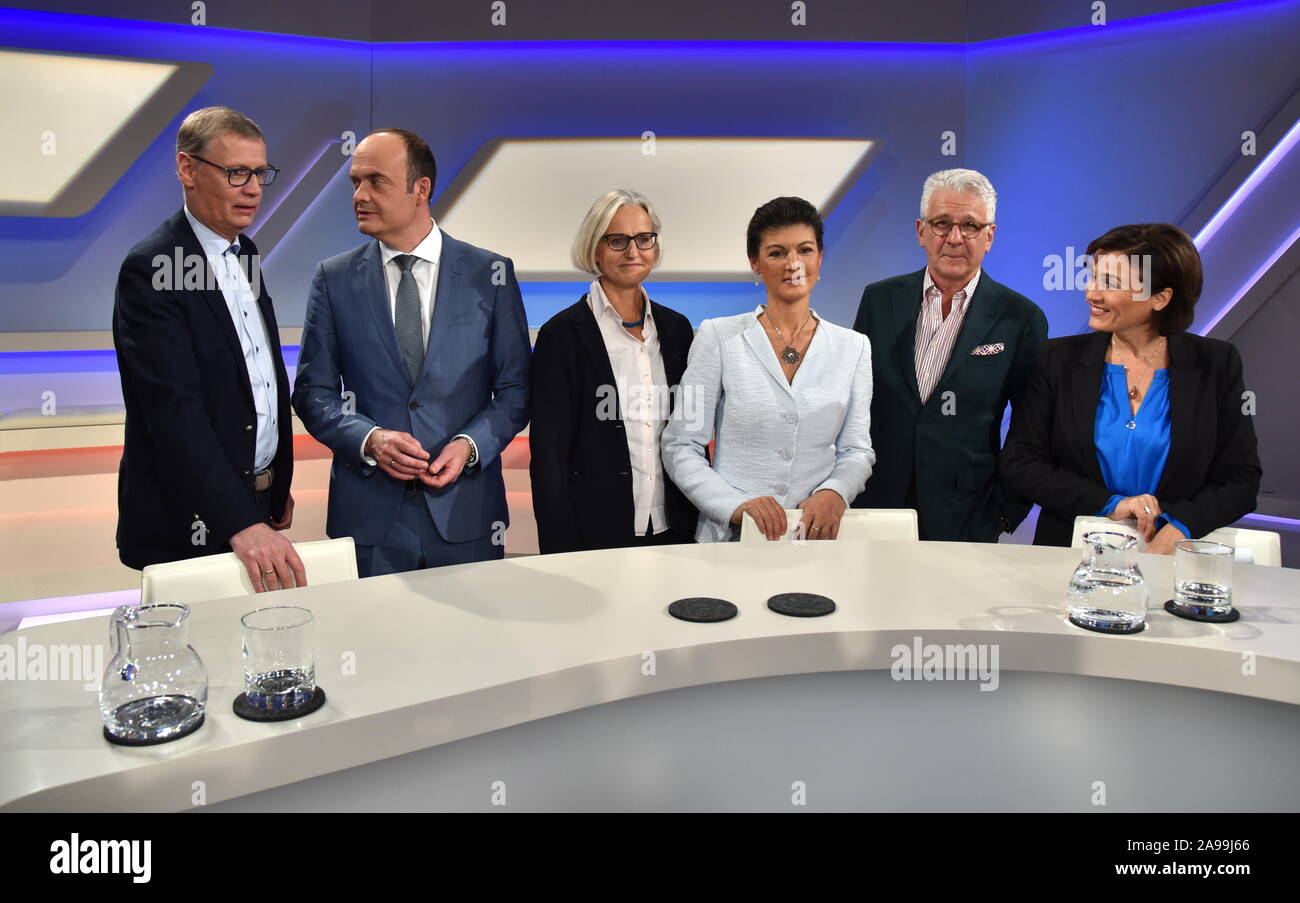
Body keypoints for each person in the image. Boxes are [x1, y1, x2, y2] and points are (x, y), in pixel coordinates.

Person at [292, 128, 529, 577]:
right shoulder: (333, 278)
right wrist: (369, 439)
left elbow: (516, 390)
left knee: (471, 648)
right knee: (373, 646)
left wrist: (470, 445)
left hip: (468, 515)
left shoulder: (491, 273)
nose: (360, 195)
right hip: (369, 522)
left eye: (375, 181)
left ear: (421, 188)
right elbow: (313, 393)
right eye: (355, 182)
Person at [112, 106, 304, 591]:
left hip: (256, 506)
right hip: (189, 522)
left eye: (261, 173)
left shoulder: (247, 253)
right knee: (198, 665)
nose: (254, 188)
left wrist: (274, 484)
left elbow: (261, 378)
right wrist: (241, 521)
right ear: (187, 169)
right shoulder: (153, 266)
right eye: (237, 172)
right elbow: (174, 413)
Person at [1000, 223, 1261, 551]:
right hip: (1067, 554)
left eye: (1110, 283)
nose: (1092, 293)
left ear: (1160, 298)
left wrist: (1182, 524)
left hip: (1171, 557)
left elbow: (1240, 479)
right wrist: (1111, 504)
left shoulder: (1216, 364)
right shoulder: (1057, 359)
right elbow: (1020, 463)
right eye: (1093, 277)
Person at [851, 168, 1048, 541]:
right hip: (874, 501)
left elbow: (1032, 428)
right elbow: (855, 401)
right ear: (920, 231)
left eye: (970, 226)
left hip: (967, 514)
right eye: (942, 223)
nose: (955, 238)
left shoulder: (1021, 317)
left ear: (990, 236)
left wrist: (1007, 511)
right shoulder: (878, 299)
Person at [662, 197, 874, 543]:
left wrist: (835, 492)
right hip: (732, 540)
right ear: (755, 264)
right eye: (777, 253)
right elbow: (680, 444)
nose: (793, 263)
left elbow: (856, 450)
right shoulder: (719, 336)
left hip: (817, 540)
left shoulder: (853, 347)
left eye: (805, 250)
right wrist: (734, 505)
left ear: (820, 258)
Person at [529, 190, 698, 553]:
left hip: (679, 527)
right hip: (595, 534)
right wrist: (560, 551)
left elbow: (691, 435)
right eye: (617, 240)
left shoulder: (678, 329)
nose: (633, 251)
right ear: (594, 248)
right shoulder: (561, 336)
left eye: (643, 239)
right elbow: (549, 461)